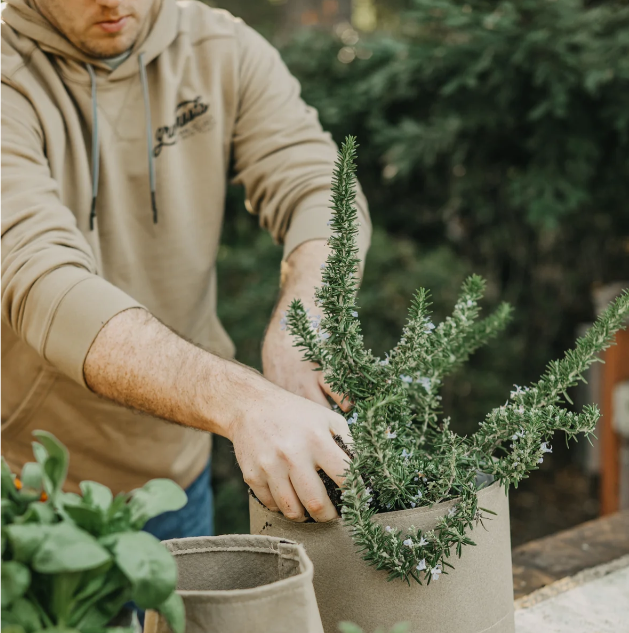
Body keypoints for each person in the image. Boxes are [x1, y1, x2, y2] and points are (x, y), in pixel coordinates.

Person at [1, 0, 372, 540]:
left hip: (178, 479)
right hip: (29, 486)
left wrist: (307, 319)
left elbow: (319, 186)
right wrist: (242, 401)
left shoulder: (221, 48)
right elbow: (40, 279)